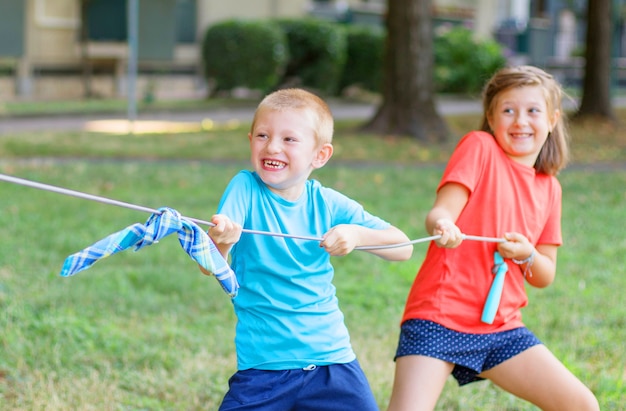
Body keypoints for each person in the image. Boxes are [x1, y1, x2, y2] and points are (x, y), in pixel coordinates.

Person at [386, 66, 599, 411]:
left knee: (581, 405)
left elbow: (544, 275)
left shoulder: (549, 189)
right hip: (440, 317)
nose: (520, 121)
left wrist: (528, 253)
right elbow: (439, 213)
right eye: (508, 110)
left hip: (501, 329)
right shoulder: (479, 147)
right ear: (490, 116)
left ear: (552, 119)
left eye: (533, 111)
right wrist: (445, 226)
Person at [201, 88, 413, 411]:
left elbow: (403, 247)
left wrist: (356, 234)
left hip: (332, 363)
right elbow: (210, 262)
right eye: (262, 135)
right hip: (263, 369)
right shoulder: (244, 187)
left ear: (320, 155)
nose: (272, 146)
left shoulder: (326, 203)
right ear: (250, 140)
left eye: (289, 139)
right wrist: (224, 241)